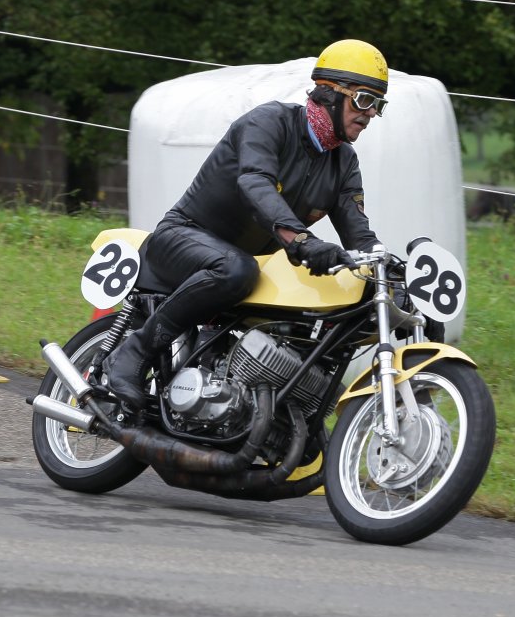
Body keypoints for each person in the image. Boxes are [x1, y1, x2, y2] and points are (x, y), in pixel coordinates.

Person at [103, 38, 391, 412]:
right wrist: (301, 240)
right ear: (330, 93)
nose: (370, 114)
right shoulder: (269, 122)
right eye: (364, 100)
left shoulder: (344, 162)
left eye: (378, 105)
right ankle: (133, 351)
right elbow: (255, 183)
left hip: (251, 262)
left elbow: (358, 233)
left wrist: (389, 271)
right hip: (185, 235)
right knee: (236, 269)